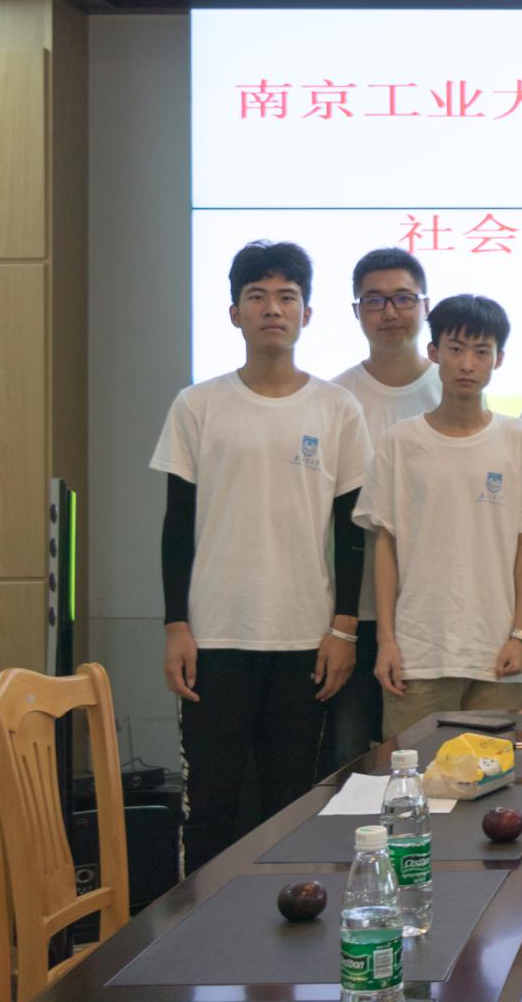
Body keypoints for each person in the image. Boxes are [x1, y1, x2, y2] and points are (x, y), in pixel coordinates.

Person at [151, 240, 371, 874]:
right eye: (257, 297)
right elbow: (176, 525)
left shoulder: (337, 408)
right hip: (214, 637)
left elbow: (351, 530)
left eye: (286, 297)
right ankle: (198, 927)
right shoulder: (198, 405)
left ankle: (287, 924)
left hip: (305, 639)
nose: (272, 308)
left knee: (292, 805)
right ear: (235, 314)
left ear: (306, 313)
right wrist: (175, 626)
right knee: (211, 805)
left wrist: (343, 629)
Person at [357, 294, 522, 738]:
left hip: (497, 655)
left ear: (498, 359)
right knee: (414, 771)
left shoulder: (517, 438)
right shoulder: (401, 441)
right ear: (434, 353)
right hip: (417, 654)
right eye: (456, 348)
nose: (467, 363)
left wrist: (520, 635)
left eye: (481, 351)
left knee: (496, 775)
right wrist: (386, 641)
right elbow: (385, 545)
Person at [320, 247, 439, 775]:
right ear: (356, 311)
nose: (390, 312)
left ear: (425, 305)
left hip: (430, 612)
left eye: (403, 298)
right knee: (351, 760)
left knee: (427, 762)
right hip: (353, 614)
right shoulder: (334, 398)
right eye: (374, 300)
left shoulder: (453, 390)